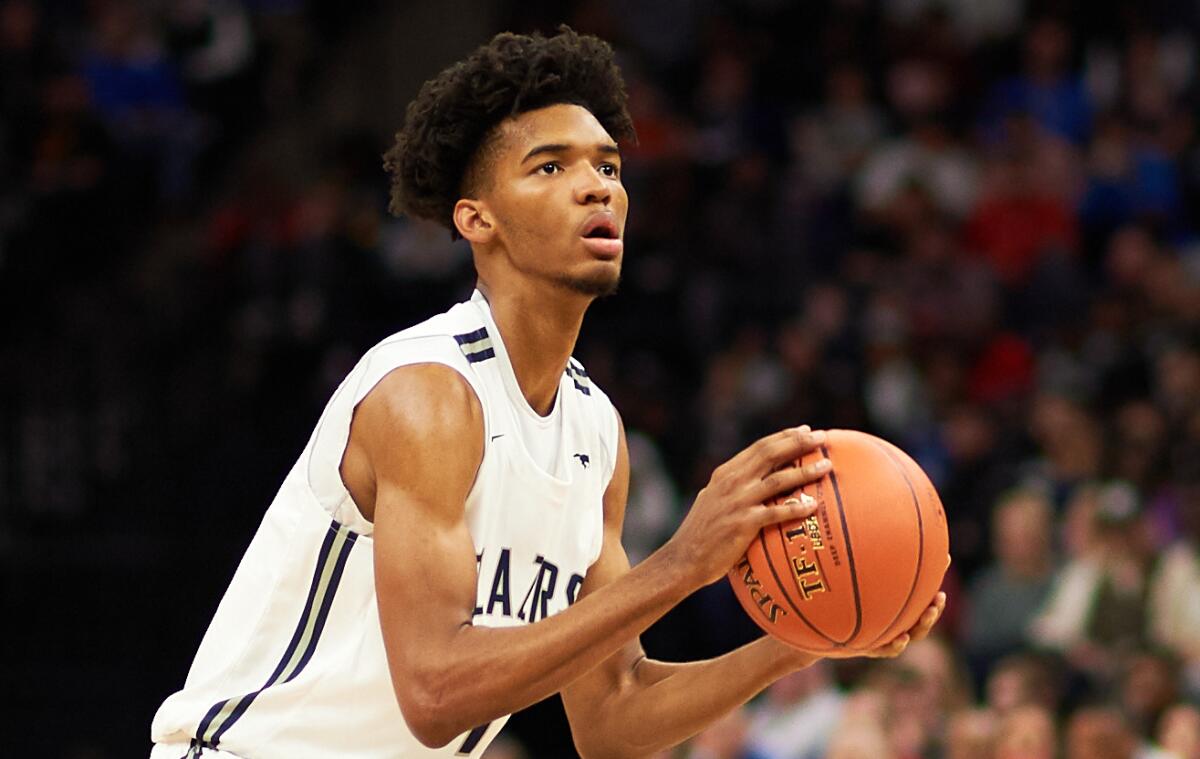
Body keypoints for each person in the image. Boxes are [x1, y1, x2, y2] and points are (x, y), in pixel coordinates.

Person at [149, 27, 944, 759]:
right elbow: (434, 693)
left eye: (608, 165)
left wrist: (808, 636)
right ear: (476, 219)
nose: (597, 187)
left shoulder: (594, 432)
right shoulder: (427, 395)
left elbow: (612, 716)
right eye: (551, 166)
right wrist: (683, 562)